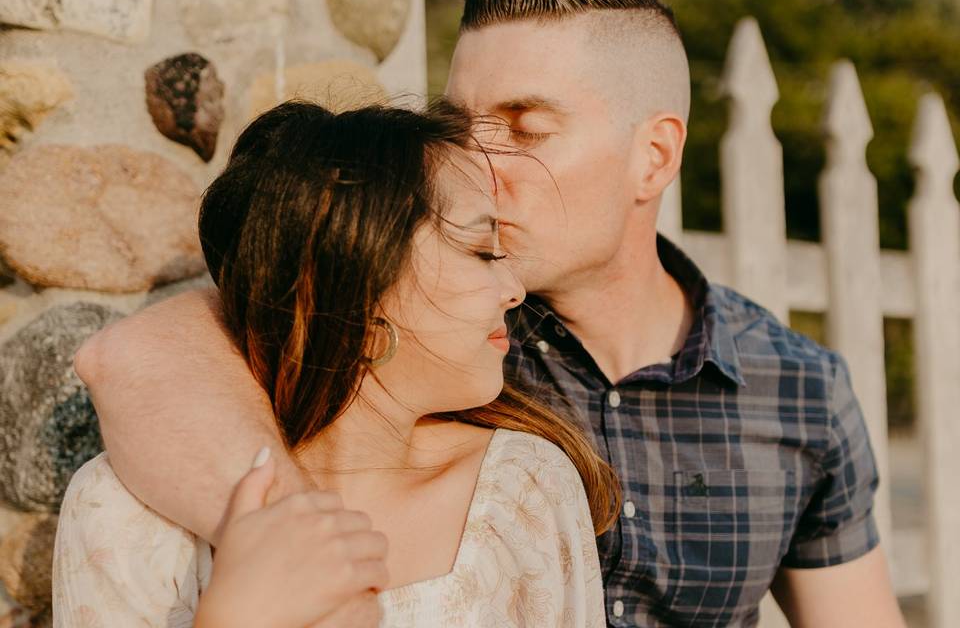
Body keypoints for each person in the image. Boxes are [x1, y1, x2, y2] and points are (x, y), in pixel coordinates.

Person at [72, 0, 907, 626]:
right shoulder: (438, 334)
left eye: (524, 126)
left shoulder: (795, 389)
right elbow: (140, 355)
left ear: (653, 157)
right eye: (460, 121)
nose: (476, 158)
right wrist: (308, 562)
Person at [52, 100, 618, 627]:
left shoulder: (521, 486)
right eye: (481, 250)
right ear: (360, 293)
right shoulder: (125, 515)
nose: (514, 289)